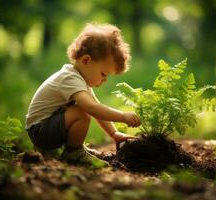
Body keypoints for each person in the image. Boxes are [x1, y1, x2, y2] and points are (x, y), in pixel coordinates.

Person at [25, 23, 141, 166]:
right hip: (40, 131)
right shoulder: (70, 78)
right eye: (103, 74)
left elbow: (96, 107)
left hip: (46, 128)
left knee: (81, 111)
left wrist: (114, 134)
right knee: (81, 113)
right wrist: (122, 117)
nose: (104, 80)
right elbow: (91, 108)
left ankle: (67, 150)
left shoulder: (79, 80)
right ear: (86, 60)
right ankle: (74, 153)